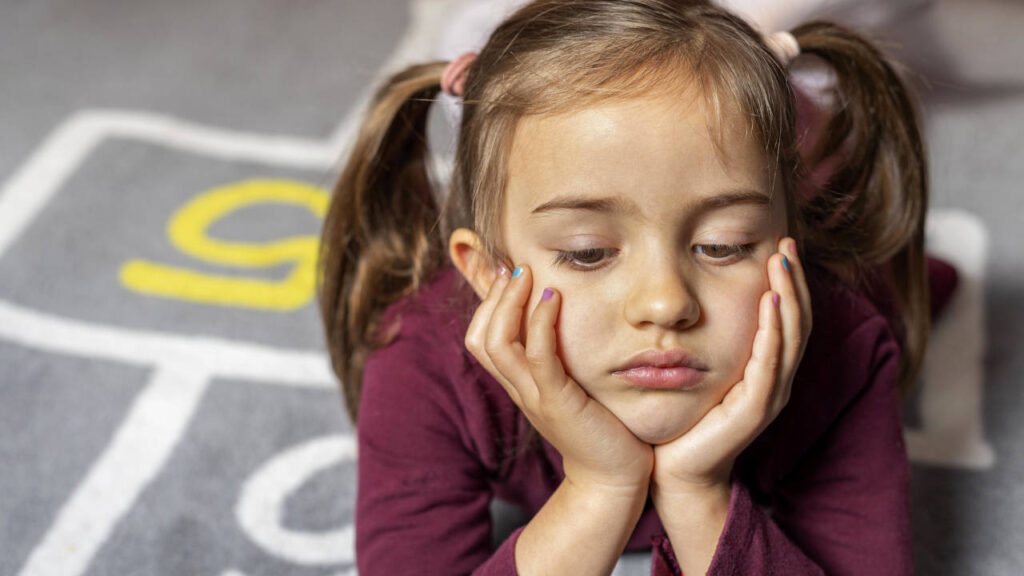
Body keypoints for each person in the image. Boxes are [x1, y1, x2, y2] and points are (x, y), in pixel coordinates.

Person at [318, 1, 955, 573]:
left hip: (828, 258)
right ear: (487, 273)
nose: (665, 304)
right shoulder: (419, 356)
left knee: (893, 283)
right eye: (587, 252)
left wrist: (698, 493)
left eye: (723, 243)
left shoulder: (846, 349)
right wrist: (600, 487)